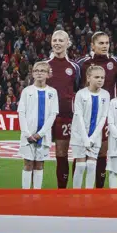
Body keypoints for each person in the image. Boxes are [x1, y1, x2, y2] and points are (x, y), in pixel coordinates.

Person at [77, 31, 117, 189]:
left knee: (103, 153)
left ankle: (98, 190)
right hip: (85, 115)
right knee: (81, 155)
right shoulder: (82, 63)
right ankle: (76, 190)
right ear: (92, 45)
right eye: (101, 43)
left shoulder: (116, 62)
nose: (105, 46)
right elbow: (75, 86)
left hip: (107, 116)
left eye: (107, 43)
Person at [45, 29, 79, 190]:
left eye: (61, 40)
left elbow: (78, 90)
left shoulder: (74, 67)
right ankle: (33, 190)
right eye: (54, 40)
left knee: (63, 152)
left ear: (68, 43)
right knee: (36, 155)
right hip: (44, 117)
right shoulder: (44, 66)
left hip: (66, 116)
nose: (57, 43)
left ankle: (63, 190)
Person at [17, 60, 58, 189]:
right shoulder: (27, 91)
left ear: (48, 74)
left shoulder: (53, 92)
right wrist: (27, 133)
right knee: (28, 163)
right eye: (36, 71)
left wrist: (41, 134)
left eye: (42, 71)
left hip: (44, 136)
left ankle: (37, 194)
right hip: (27, 135)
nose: (39, 73)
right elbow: (21, 113)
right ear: (32, 73)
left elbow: (53, 114)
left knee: (39, 164)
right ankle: (25, 194)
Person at [69, 64, 110, 190]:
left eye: (102, 77)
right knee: (80, 166)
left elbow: (103, 117)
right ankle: (76, 195)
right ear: (88, 78)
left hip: (95, 136)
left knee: (92, 165)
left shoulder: (106, 94)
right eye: (96, 77)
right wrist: (85, 138)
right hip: (79, 135)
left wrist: (92, 137)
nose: (100, 80)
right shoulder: (81, 94)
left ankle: (88, 195)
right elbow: (79, 116)